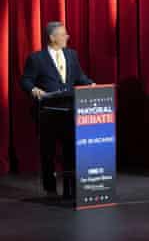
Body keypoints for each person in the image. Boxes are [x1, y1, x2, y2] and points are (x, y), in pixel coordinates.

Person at [20, 22, 94, 197]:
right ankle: (51, 188)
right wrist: (33, 89)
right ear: (52, 37)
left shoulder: (72, 55)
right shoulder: (36, 58)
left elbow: (79, 76)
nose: (67, 37)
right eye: (63, 34)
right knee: (49, 152)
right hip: (48, 112)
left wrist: (91, 84)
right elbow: (26, 80)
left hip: (70, 111)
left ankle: (70, 188)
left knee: (70, 150)